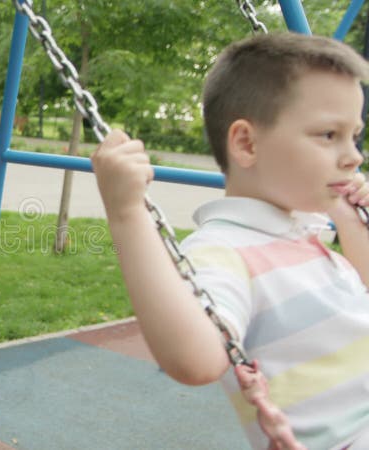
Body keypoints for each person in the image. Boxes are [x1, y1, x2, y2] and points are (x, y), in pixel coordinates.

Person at [90, 32, 369, 450]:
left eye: (355, 136)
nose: (354, 156)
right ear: (246, 143)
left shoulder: (307, 235)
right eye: (329, 134)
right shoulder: (225, 252)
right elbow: (195, 362)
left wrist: (349, 223)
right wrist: (128, 215)